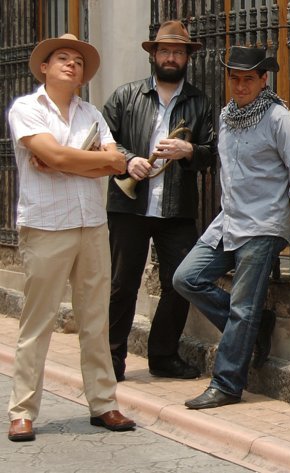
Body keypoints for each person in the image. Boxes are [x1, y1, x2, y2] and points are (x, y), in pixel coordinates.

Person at [7, 34, 136, 442]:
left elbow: (116, 163)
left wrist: (63, 162)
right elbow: (67, 156)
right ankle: (22, 410)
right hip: (46, 224)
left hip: (91, 224)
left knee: (96, 320)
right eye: (62, 58)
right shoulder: (26, 108)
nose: (71, 65)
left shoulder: (92, 114)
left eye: (78, 62)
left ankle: (103, 403)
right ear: (44, 68)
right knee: (38, 321)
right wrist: (83, 160)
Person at [173, 46, 290, 409]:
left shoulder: (278, 118)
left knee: (243, 308)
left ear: (264, 79)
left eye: (249, 78)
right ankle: (258, 325)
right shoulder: (226, 116)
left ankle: (227, 384)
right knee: (186, 278)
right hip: (228, 220)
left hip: (263, 225)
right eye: (235, 78)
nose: (241, 85)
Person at [102, 20, 215, 381]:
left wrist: (188, 150)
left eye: (178, 52)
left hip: (176, 208)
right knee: (122, 284)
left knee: (179, 282)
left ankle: (163, 356)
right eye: (164, 50)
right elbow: (103, 141)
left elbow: (212, 152)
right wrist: (127, 160)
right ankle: (111, 359)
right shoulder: (125, 96)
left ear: (187, 58)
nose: (171, 57)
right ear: (153, 55)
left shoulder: (199, 102)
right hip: (129, 206)